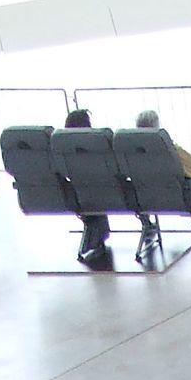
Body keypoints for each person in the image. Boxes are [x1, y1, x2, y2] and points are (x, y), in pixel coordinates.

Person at [133, 108, 191, 250]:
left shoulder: (130, 153)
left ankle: (147, 223)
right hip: (178, 197)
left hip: (144, 199)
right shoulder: (170, 149)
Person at [63, 107, 113, 271]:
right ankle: (147, 224)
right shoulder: (98, 147)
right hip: (106, 195)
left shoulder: (62, 150)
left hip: (77, 197)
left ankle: (94, 232)